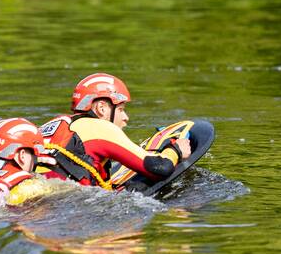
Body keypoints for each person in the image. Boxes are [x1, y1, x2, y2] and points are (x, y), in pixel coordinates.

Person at [38, 72, 190, 190]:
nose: (126, 117)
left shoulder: (55, 124)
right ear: (102, 108)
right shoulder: (100, 128)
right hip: (61, 202)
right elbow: (160, 168)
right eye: (121, 109)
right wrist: (175, 150)